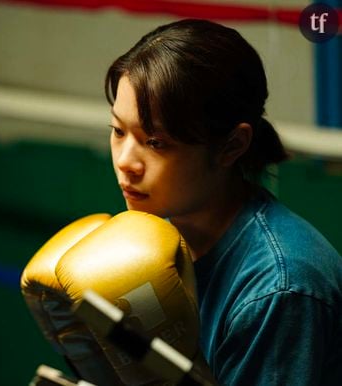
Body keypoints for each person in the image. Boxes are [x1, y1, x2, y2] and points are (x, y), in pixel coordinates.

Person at [105, 18, 342, 385]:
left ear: (231, 146)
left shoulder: (278, 289)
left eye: (156, 142)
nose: (125, 161)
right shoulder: (163, 239)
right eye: (118, 131)